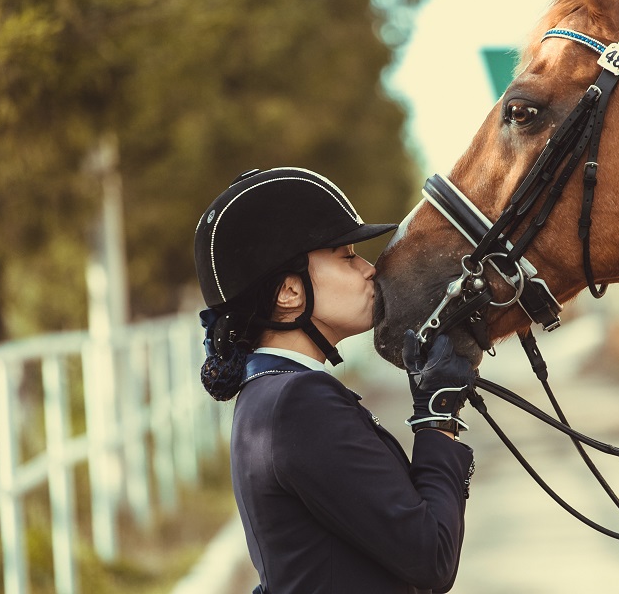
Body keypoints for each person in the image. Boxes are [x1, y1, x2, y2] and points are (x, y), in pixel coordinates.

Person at [193, 167, 476, 594]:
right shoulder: (300, 402)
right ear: (289, 292)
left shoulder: (268, 394)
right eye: (347, 256)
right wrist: (437, 419)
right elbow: (431, 556)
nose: (369, 269)